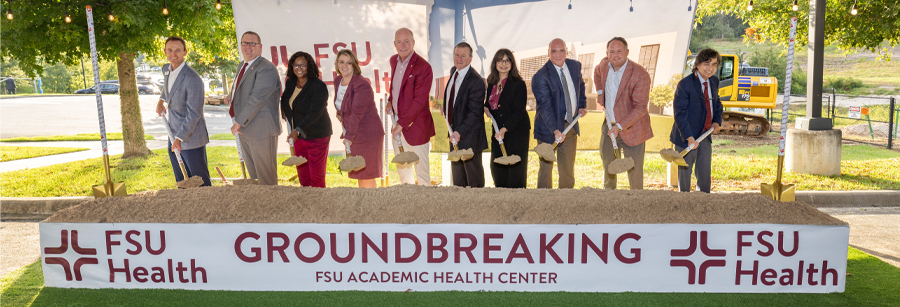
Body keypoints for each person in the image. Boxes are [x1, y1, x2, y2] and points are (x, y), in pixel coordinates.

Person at [593, 37, 654, 190]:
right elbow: (596, 72)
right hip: (609, 126)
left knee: (634, 173)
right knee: (609, 168)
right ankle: (609, 200)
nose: (615, 55)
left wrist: (619, 127)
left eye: (619, 51)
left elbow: (640, 107)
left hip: (633, 130)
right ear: (607, 53)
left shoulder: (640, 74)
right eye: (611, 52)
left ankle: (636, 204)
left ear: (627, 52)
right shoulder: (604, 65)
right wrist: (600, 93)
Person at [226, 31, 282, 185]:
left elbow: (257, 98)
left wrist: (238, 122)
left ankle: (272, 207)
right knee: (254, 178)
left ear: (260, 47)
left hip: (261, 130)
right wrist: (231, 98)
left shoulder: (266, 68)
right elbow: (243, 90)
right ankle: (259, 207)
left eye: (252, 43)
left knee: (266, 179)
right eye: (245, 43)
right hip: (245, 130)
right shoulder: (242, 65)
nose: (248, 47)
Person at [155, 36, 212, 187]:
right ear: (165, 51)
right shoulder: (166, 70)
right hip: (173, 134)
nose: (173, 54)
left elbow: (194, 113)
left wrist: (179, 139)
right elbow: (168, 88)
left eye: (178, 50)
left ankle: (208, 208)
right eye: (170, 50)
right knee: (182, 180)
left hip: (190, 138)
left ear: (185, 52)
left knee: (200, 182)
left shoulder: (193, 79)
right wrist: (161, 100)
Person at [531, 38, 587, 189]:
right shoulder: (540, 76)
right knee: (545, 171)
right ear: (548, 52)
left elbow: (580, 85)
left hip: (570, 127)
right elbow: (545, 106)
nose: (558, 55)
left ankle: (566, 203)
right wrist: (555, 130)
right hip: (548, 130)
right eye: (554, 51)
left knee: (568, 170)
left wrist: (581, 105)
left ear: (566, 52)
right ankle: (545, 204)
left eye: (561, 50)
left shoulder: (575, 66)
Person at [670, 48, 723, 193]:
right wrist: (688, 136)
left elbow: (717, 103)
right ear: (697, 64)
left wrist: (717, 121)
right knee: (685, 176)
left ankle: (703, 203)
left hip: (705, 135)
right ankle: (684, 205)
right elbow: (679, 113)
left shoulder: (714, 81)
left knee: (705, 174)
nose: (710, 68)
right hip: (686, 136)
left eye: (714, 64)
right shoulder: (685, 84)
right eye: (706, 63)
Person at [388, 27, 435, 186]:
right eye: (399, 42)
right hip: (398, 127)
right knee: (403, 173)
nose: (403, 45)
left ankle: (426, 208)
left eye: (406, 41)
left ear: (413, 43)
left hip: (417, 128)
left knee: (421, 173)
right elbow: (396, 88)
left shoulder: (424, 67)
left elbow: (419, 101)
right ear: (394, 44)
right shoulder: (394, 60)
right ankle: (407, 207)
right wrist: (390, 101)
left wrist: (400, 125)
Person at [280, 51, 332, 188]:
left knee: (316, 176)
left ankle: (319, 206)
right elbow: (285, 99)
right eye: (295, 65)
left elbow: (314, 113)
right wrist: (283, 110)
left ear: (310, 66)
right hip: (298, 138)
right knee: (303, 175)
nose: (299, 68)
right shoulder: (291, 83)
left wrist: (296, 131)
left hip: (317, 136)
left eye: (303, 65)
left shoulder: (318, 86)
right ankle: (306, 204)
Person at [333, 49, 384, 188]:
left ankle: (372, 207)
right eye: (341, 62)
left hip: (368, 134)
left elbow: (357, 113)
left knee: (367, 175)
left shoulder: (361, 84)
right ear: (337, 64)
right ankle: (365, 207)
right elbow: (343, 104)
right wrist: (340, 114)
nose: (345, 66)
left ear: (354, 64)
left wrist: (348, 136)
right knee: (360, 175)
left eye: (349, 62)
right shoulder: (338, 80)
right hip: (353, 133)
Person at [484, 49, 530, 188]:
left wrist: (505, 129)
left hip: (516, 131)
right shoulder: (491, 82)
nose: (503, 64)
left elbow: (519, 111)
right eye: (500, 60)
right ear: (495, 63)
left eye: (507, 60)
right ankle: (501, 201)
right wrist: (485, 107)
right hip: (498, 131)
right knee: (497, 167)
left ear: (512, 63)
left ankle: (517, 203)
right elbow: (490, 103)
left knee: (515, 172)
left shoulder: (518, 84)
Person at [443, 42, 487, 188]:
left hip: (470, 138)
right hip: (454, 136)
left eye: (463, 55)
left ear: (470, 58)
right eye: (456, 55)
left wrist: (459, 132)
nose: (459, 58)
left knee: (474, 182)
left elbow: (475, 112)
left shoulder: (476, 81)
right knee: (458, 182)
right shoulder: (453, 72)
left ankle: (477, 210)